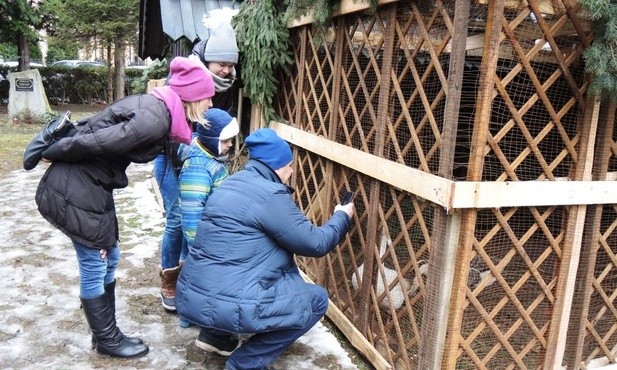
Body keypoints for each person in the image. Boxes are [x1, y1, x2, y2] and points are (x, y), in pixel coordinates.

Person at [31, 56, 215, 359]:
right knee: (95, 261)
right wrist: (52, 149)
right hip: (77, 186)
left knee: (110, 254)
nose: (210, 103)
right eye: (208, 96)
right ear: (193, 95)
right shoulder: (155, 119)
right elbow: (98, 141)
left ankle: (105, 334)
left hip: (90, 184)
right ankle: (106, 340)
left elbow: (97, 126)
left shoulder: (158, 109)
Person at [175, 128, 355, 369]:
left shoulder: (230, 183)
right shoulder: (269, 195)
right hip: (227, 302)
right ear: (276, 166)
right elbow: (315, 243)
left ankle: (216, 336)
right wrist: (342, 217)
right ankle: (244, 363)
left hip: (193, 296)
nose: (291, 172)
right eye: (289, 165)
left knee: (230, 273)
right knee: (316, 300)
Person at [155, 19, 240, 312]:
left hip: (202, 155)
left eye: (231, 65)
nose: (227, 71)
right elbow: (167, 127)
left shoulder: (226, 82)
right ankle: (169, 278)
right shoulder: (184, 76)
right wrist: (192, 151)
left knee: (198, 218)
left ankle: (191, 279)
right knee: (178, 217)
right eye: (221, 64)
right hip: (171, 154)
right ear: (206, 58)